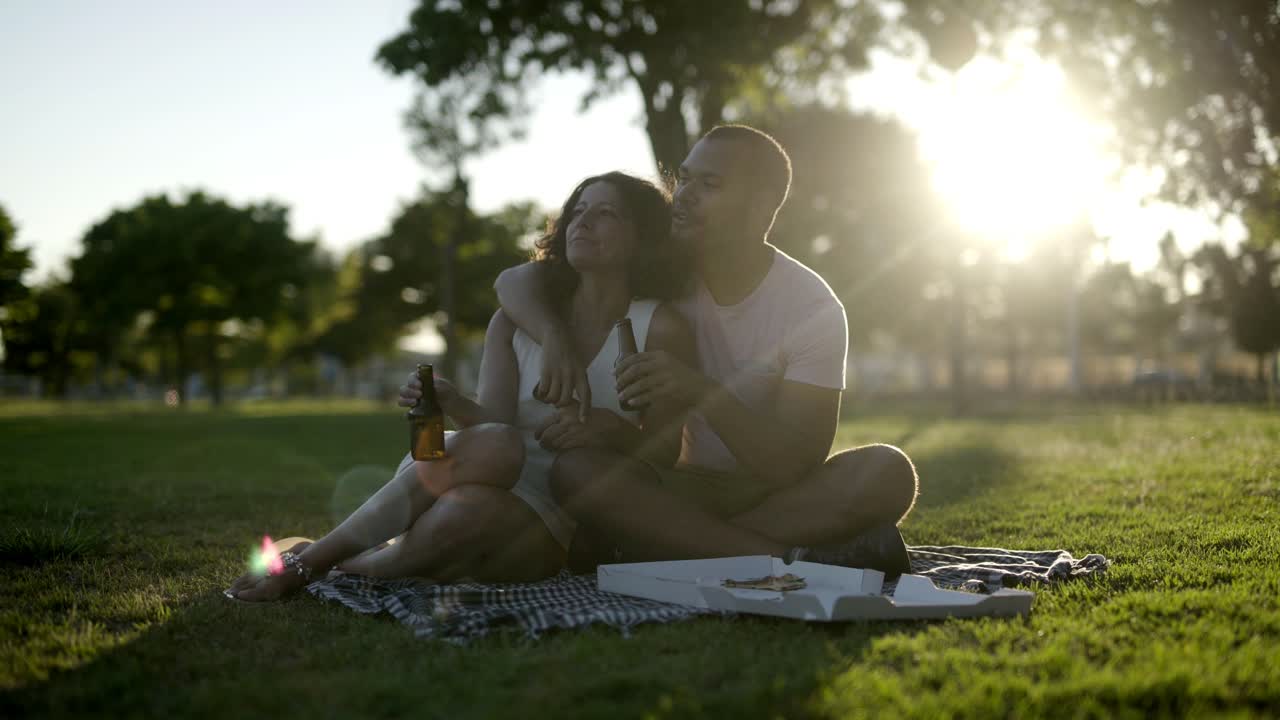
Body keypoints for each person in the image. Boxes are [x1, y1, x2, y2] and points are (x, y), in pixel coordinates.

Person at [225, 171, 693, 601]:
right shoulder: (513, 322)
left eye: (605, 213)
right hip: (473, 463)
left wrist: (608, 430)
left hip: (555, 510)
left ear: (642, 238)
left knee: (471, 515)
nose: (583, 222)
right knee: (499, 443)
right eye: (578, 210)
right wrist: (452, 402)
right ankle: (311, 562)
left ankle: (332, 562)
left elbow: (668, 453)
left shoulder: (658, 325)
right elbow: (495, 421)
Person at [494, 125, 917, 576]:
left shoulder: (812, 308)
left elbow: (794, 465)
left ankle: (657, 548)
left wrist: (702, 392)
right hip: (669, 487)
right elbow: (516, 280)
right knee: (577, 472)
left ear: (760, 208)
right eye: (686, 178)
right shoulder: (662, 264)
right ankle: (787, 559)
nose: (684, 195)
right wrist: (554, 337)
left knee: (887, 471)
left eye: (709, 185)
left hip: (768, 493)